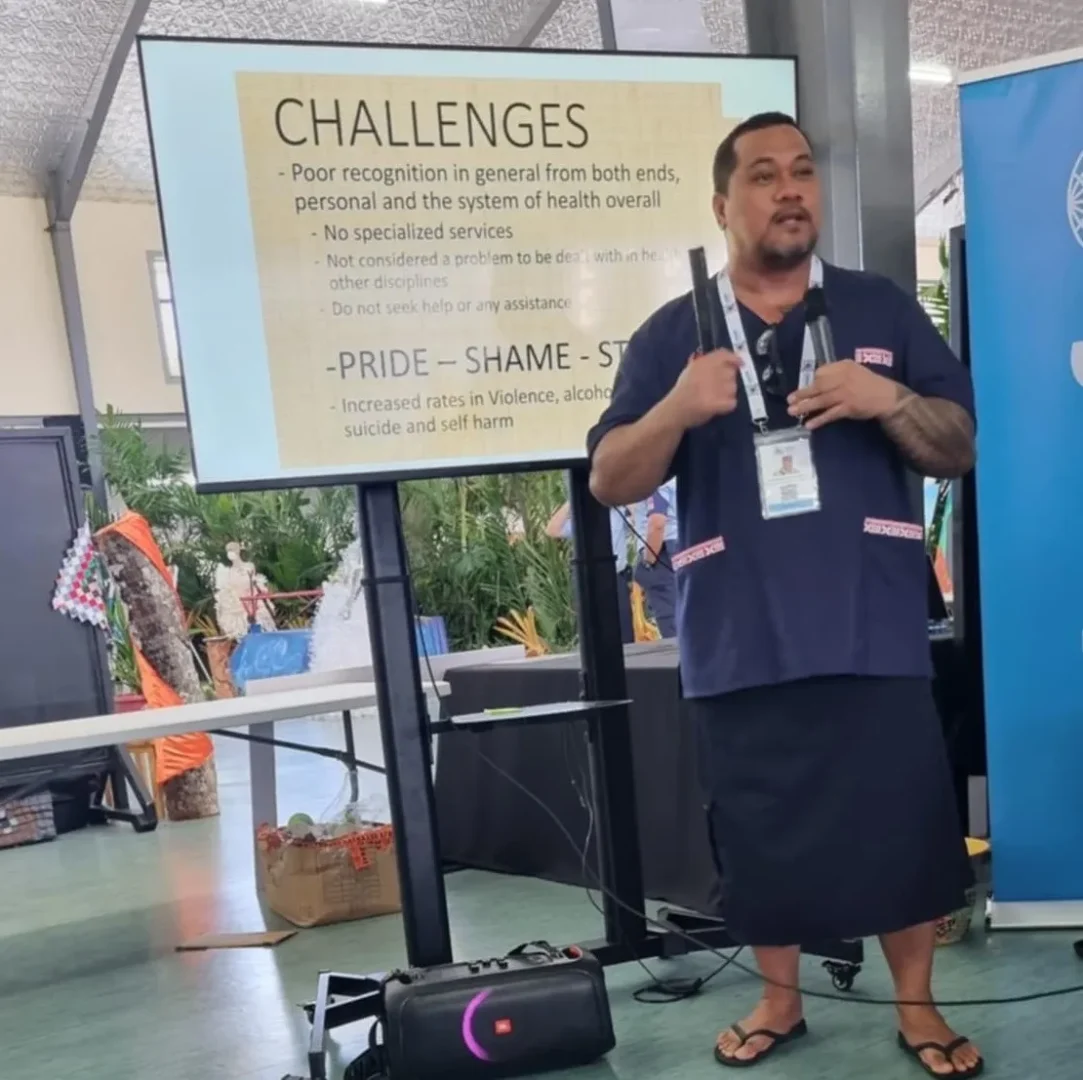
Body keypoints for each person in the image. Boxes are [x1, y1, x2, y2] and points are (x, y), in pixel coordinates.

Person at [587, 112, 981, 1078]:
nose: (789, 189)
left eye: (801, 171)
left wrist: (888, 399)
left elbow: (956, 447)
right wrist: (677, 408)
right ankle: (778, 1000)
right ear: (722, 205)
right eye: (762, 175)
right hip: (740, 627)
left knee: (898, 820)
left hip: (869, 618)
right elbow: (608, 477)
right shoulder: (671, 333)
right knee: (760, 827)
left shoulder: (879, 309)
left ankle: (917, 1007)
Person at [545, 499, 636, 644]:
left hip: (617, 577)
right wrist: (572, 500)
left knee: (624, 629)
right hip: (590, 581)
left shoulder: (619, 513)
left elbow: (639, 521)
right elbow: (552, 530)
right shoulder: (584, 519)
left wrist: (621, 498)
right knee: (593, 630)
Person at [632, 481, 678, 638]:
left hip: (661, 552)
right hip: (679, 547)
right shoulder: (674, 479)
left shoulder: (654, 482)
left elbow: (657, 523)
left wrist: (647, 561)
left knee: (670, 620)